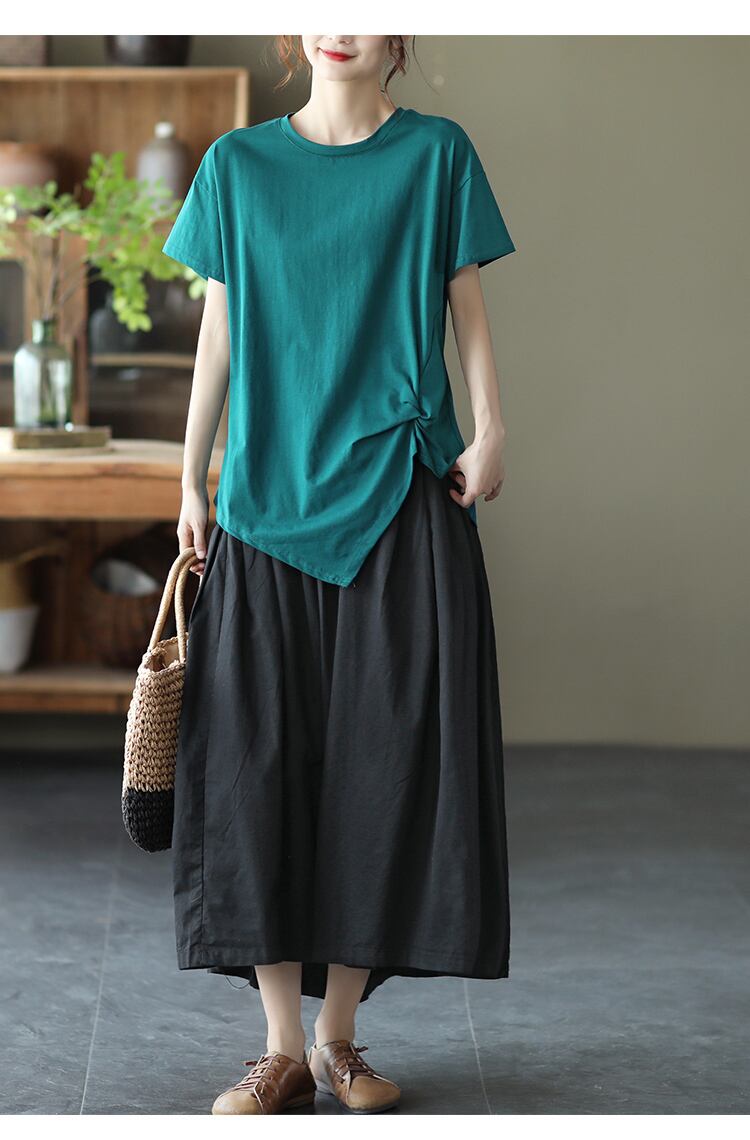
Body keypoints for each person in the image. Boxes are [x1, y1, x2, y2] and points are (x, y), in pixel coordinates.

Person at [161, 34, 515, 1116]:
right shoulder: (237, 165)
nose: (340, 22)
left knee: (383, 765)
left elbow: (464, 304)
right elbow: (219, 329)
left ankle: (338, 1038)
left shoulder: (438, 155)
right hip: (264, 502)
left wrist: (493, 426)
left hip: (401, 493)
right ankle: (277, 1049)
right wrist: (191, 476)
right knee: (256, 771)